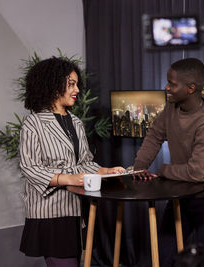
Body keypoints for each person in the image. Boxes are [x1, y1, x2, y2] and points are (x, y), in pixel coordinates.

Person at [19, 57, 124, 267]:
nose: (77, 89)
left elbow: (85, 161)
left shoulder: (75, 122)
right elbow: (29, 168)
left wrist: (106, 171)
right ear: (52, 85)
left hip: (76, 209)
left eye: (77, 84)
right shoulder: (34, 122)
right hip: (50, 212)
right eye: (71, 84)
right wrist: (68, 178)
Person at [133, 57, 204, 266]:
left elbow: (197, 173)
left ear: (190, 88)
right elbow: (154, 136)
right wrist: (138, 168)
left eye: (172, 84)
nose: (166, 87)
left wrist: (163, 171)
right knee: (163, 255)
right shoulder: (172, 107)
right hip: (182, 193)